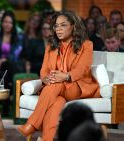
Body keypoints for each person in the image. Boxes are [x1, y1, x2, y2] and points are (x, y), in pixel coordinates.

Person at [17, 11, 101, 141]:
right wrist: (46, 78)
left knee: (55, 86)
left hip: (76, 86)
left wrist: (65, 76)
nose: (58, 29)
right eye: (56, 26)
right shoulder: (51, 46)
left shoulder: (86, 45)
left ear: (73, 26)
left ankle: (32, 124)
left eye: (63, 25)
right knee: (57, 102)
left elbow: (82, 69)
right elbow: (44, 70)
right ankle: (46, 139)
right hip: (55, 87)